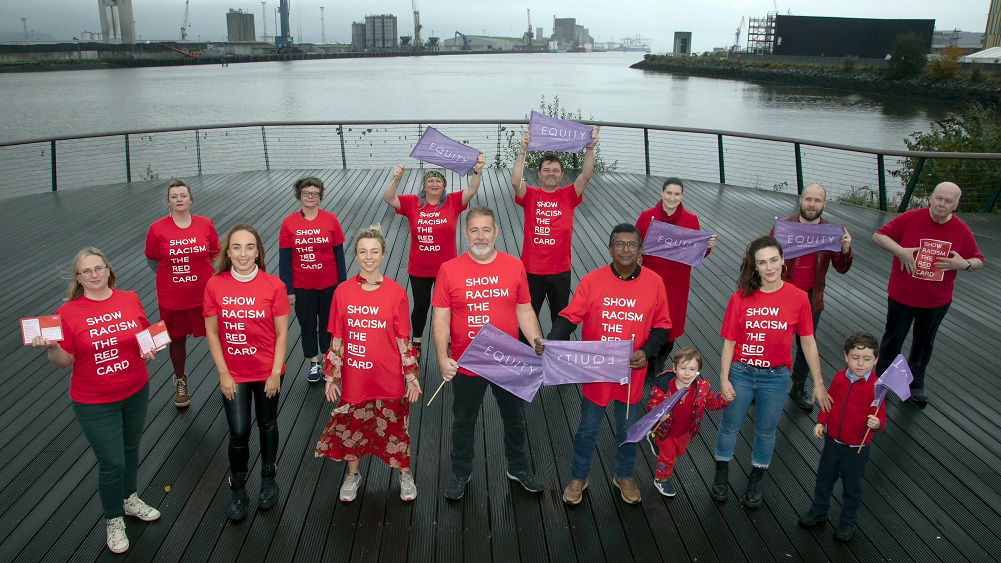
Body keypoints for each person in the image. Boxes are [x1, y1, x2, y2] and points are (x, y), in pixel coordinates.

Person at [32, 247, 160, 554]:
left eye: (99, 268)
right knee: (112, 460)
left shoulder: (129, 298)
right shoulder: (68, 312)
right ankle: (113, 519)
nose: (94, 275)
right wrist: (50, 347)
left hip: (135, 389)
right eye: (87, 271)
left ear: (108, 269)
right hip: (94, 400)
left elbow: (144, 335)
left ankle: (129, 498)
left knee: (130, 449)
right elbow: (63, 361)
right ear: (78, 278)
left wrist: (149, 348)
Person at [547, 224, 672, 505]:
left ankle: (623, 475)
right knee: (587, 428)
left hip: (631, 373)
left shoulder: (654, 282)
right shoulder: (592, 280)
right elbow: (569, 317)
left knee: (627, 430)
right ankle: (579, 476)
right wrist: (553, 341)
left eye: (631, 245)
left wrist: (647, 351)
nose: (625, 249)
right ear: (610, 249)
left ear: (640, 251)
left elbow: (663, 326)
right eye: (619, 244)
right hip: (596, 372)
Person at [431, 205, 546, 501]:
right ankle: (461, 472)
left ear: (496, 231)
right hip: (467, 362)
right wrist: (443, 358)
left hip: (505, 359)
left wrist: (535, 340)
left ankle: (518, 467)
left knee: (515, 417)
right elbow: (441, 318)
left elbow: (524, 309)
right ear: (465, 233)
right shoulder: (449, 269)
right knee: (463, 421)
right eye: (474, 230)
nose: (480, 236)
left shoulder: (514, 266)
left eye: (486, 229)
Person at [711, 236, 832, 508]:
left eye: (774, 260)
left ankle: (756, 477)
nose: (769, 267)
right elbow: (729, 342)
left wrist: (818, 382)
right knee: (730, 425)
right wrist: (723, 377)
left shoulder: (799, 298)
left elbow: (808, 341)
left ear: (783, 261)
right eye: (762, 262)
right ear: (754, 267)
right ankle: (721, 472)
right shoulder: (740, 298)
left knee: (766, 431)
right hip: (741, 372)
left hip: (775, 378)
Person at [314, 225, 422, 502]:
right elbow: (337, 335)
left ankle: (404, 474)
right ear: (356, 254)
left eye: (374, 251)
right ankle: (353, 474)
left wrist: (410, 375)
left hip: (388, 377)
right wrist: (331, 376)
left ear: (383, 254)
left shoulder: (396, 292)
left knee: (397, 426)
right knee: (352, 426)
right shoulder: (342, 291)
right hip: (355, 378)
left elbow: (403, 338)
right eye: (363, 251)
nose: (369, 257)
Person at [204, 223, 290, 521]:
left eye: (249, 247)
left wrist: (276, 372)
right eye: (237, 247)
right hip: (234, 374)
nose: (243, 254)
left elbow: (281, 334)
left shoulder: (274, 285)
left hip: (267, 371)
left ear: (258, 252)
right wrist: (224, 374)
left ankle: (268, 478)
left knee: (267, 423)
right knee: (239, 432)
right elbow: (212, 333)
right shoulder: (215, 285)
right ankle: (238, 486)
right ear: (228, 252)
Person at [872, 182, 984, 405]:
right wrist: (900, 251)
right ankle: (880, 382)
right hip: (902, 295)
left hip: (936, 300)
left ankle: (915, 382)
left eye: (948, 201)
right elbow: (878, 236)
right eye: (939, 198)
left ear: (956, 205)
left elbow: (978, 260)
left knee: (924, 343)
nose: (942, 204)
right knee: (892, 340)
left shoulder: (961, 230)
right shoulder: (911, 218)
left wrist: (963, 264)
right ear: (931, 198)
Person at [383, 154, 484, 358]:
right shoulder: (413, 203)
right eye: (430, 180)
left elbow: (472, 189)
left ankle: (448, 340)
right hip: (419, 268)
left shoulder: (453, 202)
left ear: (444, 186)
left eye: (438, 180)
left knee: (448, 307)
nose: (434, 183)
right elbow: (389, 198)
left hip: (447, 269)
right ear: (424, 185)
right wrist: (396, 178)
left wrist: (478, 169)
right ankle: (417, 342)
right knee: (421, 305)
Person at [768, 183, 852, 411]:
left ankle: (797, 386)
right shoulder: (783, 226)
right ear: (801, 200)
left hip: (811, 297)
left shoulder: (831, 232)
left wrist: (844, 249)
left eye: (817, 200)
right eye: (808, 199)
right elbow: (763, 256)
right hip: (782, 294)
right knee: (772, 341)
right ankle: (763, 385)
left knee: (806, 345)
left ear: (824, 204)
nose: (811, 204)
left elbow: (841, 267)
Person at [799, 332, 886, 542]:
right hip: (833, 442)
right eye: (855, 358)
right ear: (846, 356)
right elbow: (829, 403)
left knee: (852, 487)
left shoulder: (877, 388)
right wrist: (821, 421)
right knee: (824, 479)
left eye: (866, 359)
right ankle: (819, 509)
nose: (860, 363)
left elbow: (879, 416)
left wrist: (877, 424)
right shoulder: (840, 378)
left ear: (875, 360)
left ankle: (848, 521)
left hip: (857, 447)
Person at [509, 128, 598, 332]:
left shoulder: (568, 195)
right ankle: (526, 358)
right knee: (526, 320)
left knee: (561, 321)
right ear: (539, 173)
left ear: (562, 174)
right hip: (532, 271)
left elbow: (586, 175)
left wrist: (590, 148)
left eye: (555, 170)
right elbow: (515, 181)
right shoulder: (530, 195)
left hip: (560, 271)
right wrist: (523, 148)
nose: (551, 174)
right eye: (546, 170)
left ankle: (556, 354)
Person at [144, 178, 219, 408]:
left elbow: (215, 252)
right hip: (173, 297)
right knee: (177, 340)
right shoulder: (156, 229)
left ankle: (229, 376)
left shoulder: (205, 224)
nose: (179, 200)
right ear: (168, 201)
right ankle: (180, 381)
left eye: (183, 195)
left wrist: (198, 273)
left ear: (190, 199)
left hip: (204, 294)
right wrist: (174, 277)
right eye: (174, 196)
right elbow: (152, 259)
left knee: (217, 334)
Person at [635, 177, 717, 375]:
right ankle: (645, 357)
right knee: (646, 321)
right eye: (669, 193)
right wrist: (636, 257)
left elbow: (695, 252)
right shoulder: (647, 216)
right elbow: (635, 241)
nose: (672, 198)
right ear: (662, 193)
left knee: (670, 324)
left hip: (676, 282)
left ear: (682, 196)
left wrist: (707, 248)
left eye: (676, 194)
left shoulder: (691, 220)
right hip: (649, 279)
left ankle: (659, 360)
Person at [279, 176, 346, 383]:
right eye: (306, 193)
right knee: (307, 325)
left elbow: (339, 256)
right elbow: (284, 259)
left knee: (328, 325)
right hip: (302, 286)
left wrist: (342, 286)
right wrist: (288, 289)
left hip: (329, 284)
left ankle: (328, 360)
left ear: (320, 196)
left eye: (315, 193)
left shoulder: (330, 219)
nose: (310, 197)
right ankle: (313, 362)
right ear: (299, 195)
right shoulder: (288, 222)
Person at [646, 348, 729, 497]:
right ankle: (661, 479)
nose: (686, 373)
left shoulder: (702, 389)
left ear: (698, 371)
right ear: (674, 368)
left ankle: (653, 438)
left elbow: (712, 404)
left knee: (679, 452)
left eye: (692, 369)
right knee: (669, 457)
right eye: (682, 368)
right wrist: (659, 413)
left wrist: (724, 399)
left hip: (684, 431)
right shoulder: (664, 387)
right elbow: (652, 402)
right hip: (665, 430)